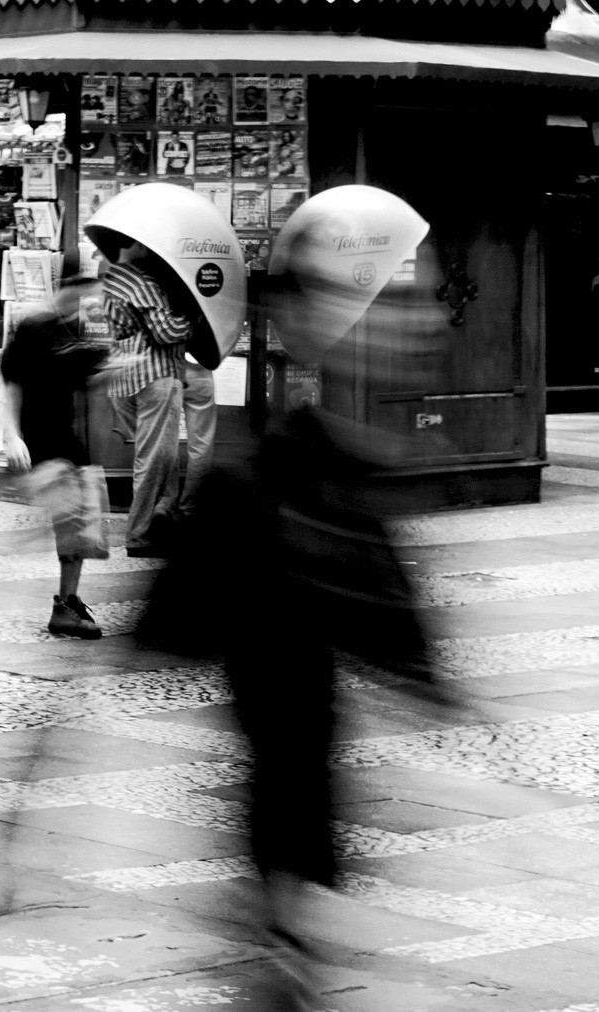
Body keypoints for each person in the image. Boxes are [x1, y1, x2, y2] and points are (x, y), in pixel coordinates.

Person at [138, 185, 447, 1009]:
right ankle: (278, 951)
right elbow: (143, 653)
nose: (414, 325)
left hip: (297, 812)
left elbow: (385, 625)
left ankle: (283, 947)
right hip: (278, 820)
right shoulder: (254, 488)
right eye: (384, 302)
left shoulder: (332, 469)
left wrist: (425, 676)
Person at [0, 265, 110, 640]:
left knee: (83, 528)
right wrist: (12, 436)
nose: (84, 302)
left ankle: (67, 603)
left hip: (70, 440)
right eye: (81, 293)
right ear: (66, 288)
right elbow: (10, 385)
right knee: (69, 520)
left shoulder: (74, 331)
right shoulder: (33, 328)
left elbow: (88, 380)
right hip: (39, 440)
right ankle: (63, 600)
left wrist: (117, 370)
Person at [95, 232, 195, 556]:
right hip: (155, 375)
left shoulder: (110, 278)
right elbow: (166, 332)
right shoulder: (141, 282)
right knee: (154, 459)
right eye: (145, 243)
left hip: (123, 379)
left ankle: (166, 524)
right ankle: (139, 535)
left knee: (160, 455)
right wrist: (192, 319)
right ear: (134, 244)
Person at [180, 357, 217, 519]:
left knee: (163, 441)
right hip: (200, 370)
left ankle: (164, 503)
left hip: (167, 369)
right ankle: (189, 507)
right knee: (201, 447)